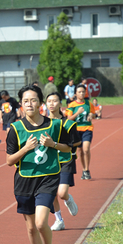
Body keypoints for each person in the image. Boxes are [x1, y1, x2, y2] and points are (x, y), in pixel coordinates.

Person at [5, 85, 72, 244]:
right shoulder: (15, 129)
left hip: (48, 178)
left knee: (41, 222)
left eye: (33, 100)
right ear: (21, 104)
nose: (30, 104)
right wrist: (25, 148)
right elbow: (9, 160)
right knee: (31, 228)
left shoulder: (55, 125)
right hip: (24, 182)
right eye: (26, 101)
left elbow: (68, 149)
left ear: (41, 103)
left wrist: (53, 145)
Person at [45, 92, 80, 231]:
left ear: (60, 104)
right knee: (51, 193)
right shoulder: (43, 123)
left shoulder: (68, 124)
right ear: (45, 104)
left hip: (65, 160)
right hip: (48, 162)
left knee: (61, 193)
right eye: (49, 101)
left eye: (55, 101)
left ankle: (68, 199)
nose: (52, 103)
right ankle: (59, 220)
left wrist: (54, 144)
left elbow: (74, 143)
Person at [65, 84, 96, 180]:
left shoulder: (88, 103)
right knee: (80, 151)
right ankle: (84, 169)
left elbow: (93, 113)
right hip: (76, 131)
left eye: (83, 92)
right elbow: (69, 119)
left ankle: (87, 169)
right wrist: (77, 112)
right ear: (75, 94)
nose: (81, 93)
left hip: (87, 129)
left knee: (86, 149)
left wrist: (91, 115)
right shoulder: (72, 105)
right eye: (79, 92)